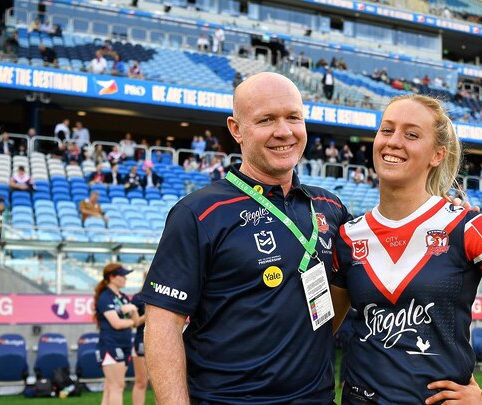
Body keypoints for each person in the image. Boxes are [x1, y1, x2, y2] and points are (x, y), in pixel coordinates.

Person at [331, 94, 482, 404]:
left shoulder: (467, 226)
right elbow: (324, 328)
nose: (394, 141)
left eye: (411, 134)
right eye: (387, 130)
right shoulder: (347, 235)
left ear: (437, 155)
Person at [139, 72, 353, 403]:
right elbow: (162, 324)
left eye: (293, 117)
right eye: (266, 120)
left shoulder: (330, 207)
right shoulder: (198, 213)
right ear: (236, 129)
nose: (284, 131)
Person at [93, 264, 139, 405]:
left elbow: (136, 323)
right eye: (122, 275)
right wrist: (129, 318)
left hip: (124, 345)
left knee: (110, 388)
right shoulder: (105, 297)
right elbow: (116, 323)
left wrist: (133, 310)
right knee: (117, 387)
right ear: (112, 277)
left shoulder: (124, 297)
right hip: (111, 346)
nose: (125, 278)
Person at [131, 284, 149, 405]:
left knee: (162, 383)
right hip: (141, 341)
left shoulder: (166, 295)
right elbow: (135, 323)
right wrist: (150, 313)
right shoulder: (137, 298)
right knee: (141, 382)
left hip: (163, 343)